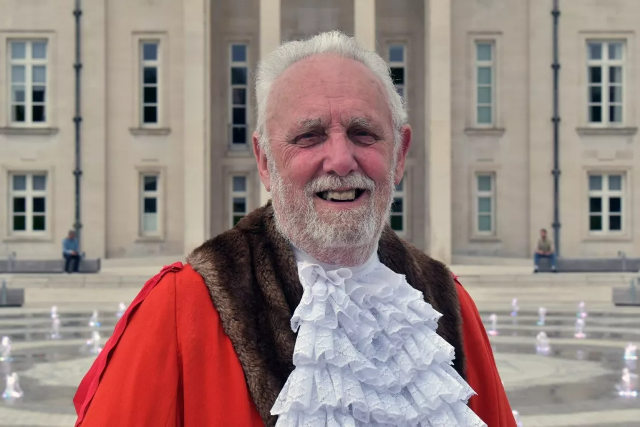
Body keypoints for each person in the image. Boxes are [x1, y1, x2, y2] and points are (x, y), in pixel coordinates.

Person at [73, 31, 515, 427]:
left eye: (363, 134)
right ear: (265, 161)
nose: (341, 160)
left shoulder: (447, 302)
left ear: (399, 154)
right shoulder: (179, 307)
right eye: (309, 136)